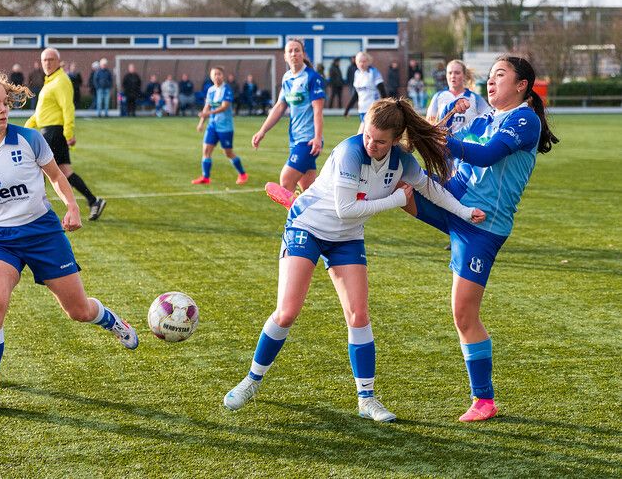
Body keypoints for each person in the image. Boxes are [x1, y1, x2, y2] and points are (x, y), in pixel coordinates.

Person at [223, 97, 486, 422]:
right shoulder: (350, 152)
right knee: (287, 312)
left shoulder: (401, 160)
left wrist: (463, 211)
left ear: (395, 140)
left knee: (359, 315)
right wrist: (395, 200)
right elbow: (344, 209)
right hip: (308, 227)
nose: (371, 145)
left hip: (346, 237)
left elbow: (430, 189)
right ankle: (252, 380)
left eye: (380, 141)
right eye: (368, 136)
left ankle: (367, 399)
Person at [0, 73, 138, 415]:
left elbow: (56, 176)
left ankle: (111, 320)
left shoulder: (29, 140)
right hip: (1, 239)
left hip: (44, 232)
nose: (3, 110)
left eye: (6, 103)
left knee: (78, 311)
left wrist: (73, 205)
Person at [401, 55, 559, 422]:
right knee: (401, 184)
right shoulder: (486, 120)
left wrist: (438, 138)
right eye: (489, 76)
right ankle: (321, 203)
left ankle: (484, 400)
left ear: (522, 85)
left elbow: (485, 156)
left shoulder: (525, 120)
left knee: (463, 313)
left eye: (500, 75)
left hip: (484, 227)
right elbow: (459, 174)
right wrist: (422, 163)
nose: (491, 82)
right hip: (459, 208)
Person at [26, 48, 106, 221]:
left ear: (58, 61)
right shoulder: (51, 81)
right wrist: (27, 127)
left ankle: (35, 212)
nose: (47, 63)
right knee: (64, 171)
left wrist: (69, 133)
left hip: (54, 132)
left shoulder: (61, 81)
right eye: (44, 60)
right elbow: (42, 112)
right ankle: (94, 201)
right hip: (50, 131)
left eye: (51, 59)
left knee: (38, 169)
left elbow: (67, 108)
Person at [253, 39, 325, 209]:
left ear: (303, 54)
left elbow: (318, 110)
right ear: (285, 56)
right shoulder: (287, 78)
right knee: (309, 193)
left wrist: (317, 137)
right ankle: (317, 227)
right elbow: (279, 107)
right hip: (295, 141)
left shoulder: (312, 78)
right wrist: (262, 131)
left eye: (297, 50)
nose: (294, 54)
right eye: (290, 51)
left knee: (285, 183)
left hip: (308, 141)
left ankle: (295, 224)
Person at [191, 67, 247, 186]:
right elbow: (207, 106)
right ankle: (206, 177)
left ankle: (242, 174)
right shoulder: (210, 90)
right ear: (211, 77)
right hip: (212, 126)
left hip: (225, 127)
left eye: (219, 74)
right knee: (206, 150)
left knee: (228, 152)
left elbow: (224, 107)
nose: (217, 76)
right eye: (215, 74)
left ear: (223, 76)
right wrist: (201, 123)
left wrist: (208, 113)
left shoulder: (227, 89)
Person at [426, 59, 491, 133]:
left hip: (466, 143)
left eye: (457, 73)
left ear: (464, 76)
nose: (453, 76)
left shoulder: (475, 98)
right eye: (450, 73)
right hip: (444, 142)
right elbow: (430, 122)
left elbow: (490, 119)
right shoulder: (438, 96)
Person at [344, 52, 387, 134]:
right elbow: (356, 95)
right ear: (356, 62)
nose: (362, 63)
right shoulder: (357, 74)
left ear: (368, 62)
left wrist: (386, 105)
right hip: (362, 109)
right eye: (360, 61)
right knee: (368, 135)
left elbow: (382, 89)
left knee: (361, 133)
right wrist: (347, 109)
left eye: (364, 61)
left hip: (373, 108)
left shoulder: (373, 72)